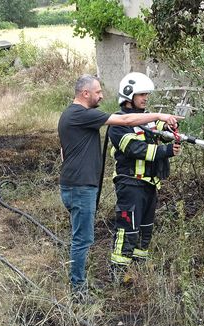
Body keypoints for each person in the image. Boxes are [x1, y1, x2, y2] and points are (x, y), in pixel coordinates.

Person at [58, 74, 183, 301]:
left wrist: (167, 125)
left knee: (87, 236)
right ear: (85, 93)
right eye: (97, 92)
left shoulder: (73, 116)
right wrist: (160, 117)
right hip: (84, 187)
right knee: (82, 239)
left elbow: (64, 151)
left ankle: (87, 282)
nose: (102, 95)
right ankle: (78, 291)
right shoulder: (80, 114)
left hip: (82, 185)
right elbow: (125, 124)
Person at [108, 72, 181, 281]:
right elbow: (136, 149)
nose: (145, 98)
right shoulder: (118, 124)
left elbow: (160, 128)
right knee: (127, 229)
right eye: (141, 94)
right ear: (129, 96)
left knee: (146, 230)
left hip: (149, 185)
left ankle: (139, 270)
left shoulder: (147, 120)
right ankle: (119, 274)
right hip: (130, 185)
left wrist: (171, 126)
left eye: (146, 94)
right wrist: (167, 151)